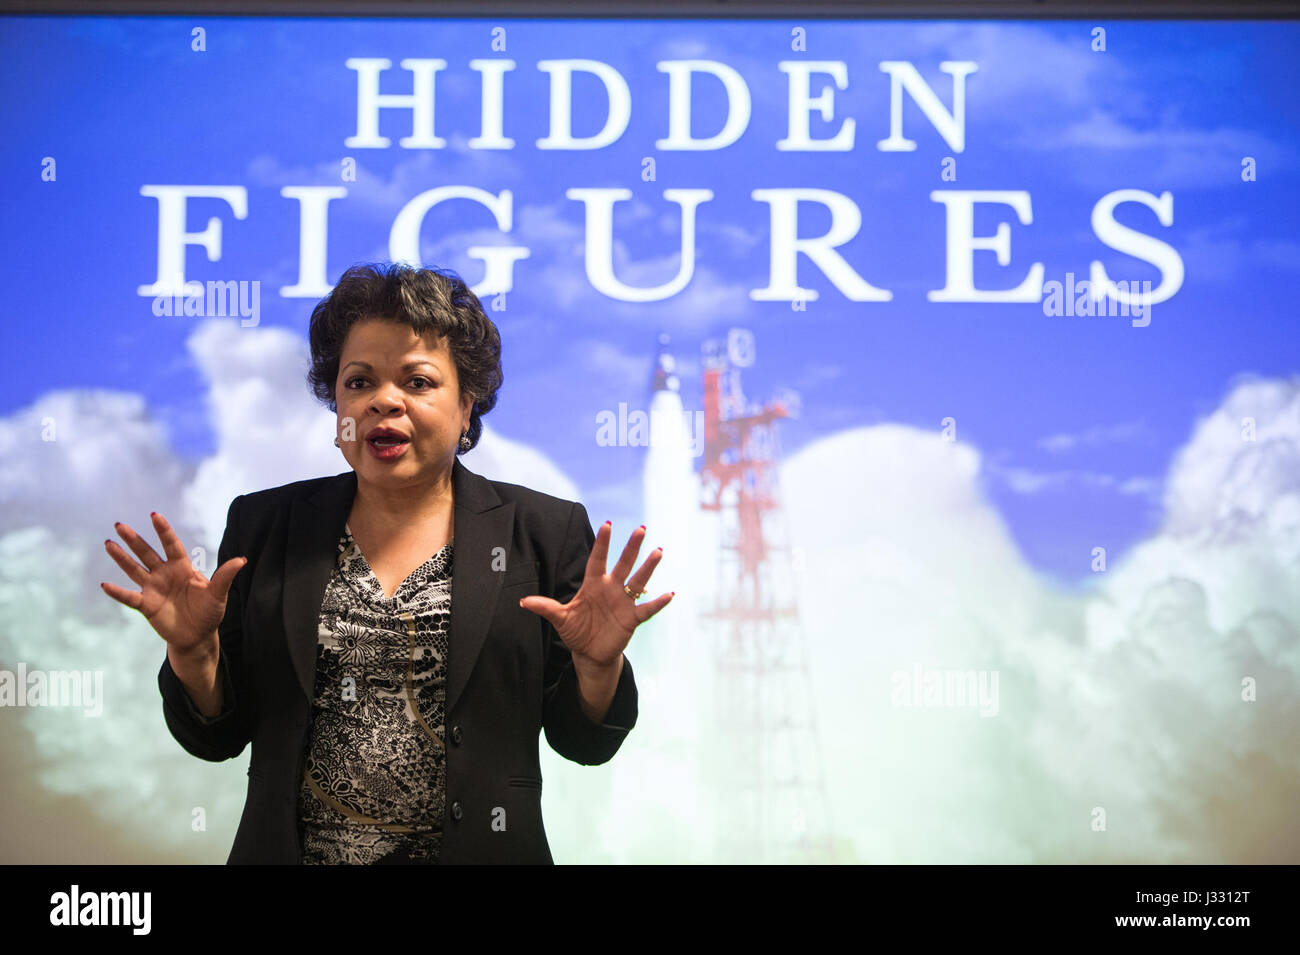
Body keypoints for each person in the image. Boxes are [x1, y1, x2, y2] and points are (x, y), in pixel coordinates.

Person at [100, 262, 672, 864]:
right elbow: (216, 736)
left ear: (466, 404)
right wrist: (194, 653)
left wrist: (598, 665)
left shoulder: (541, 532)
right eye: (359, 382)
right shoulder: (265, 526)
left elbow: (583, 741)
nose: (383, 402)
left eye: (418, 382)